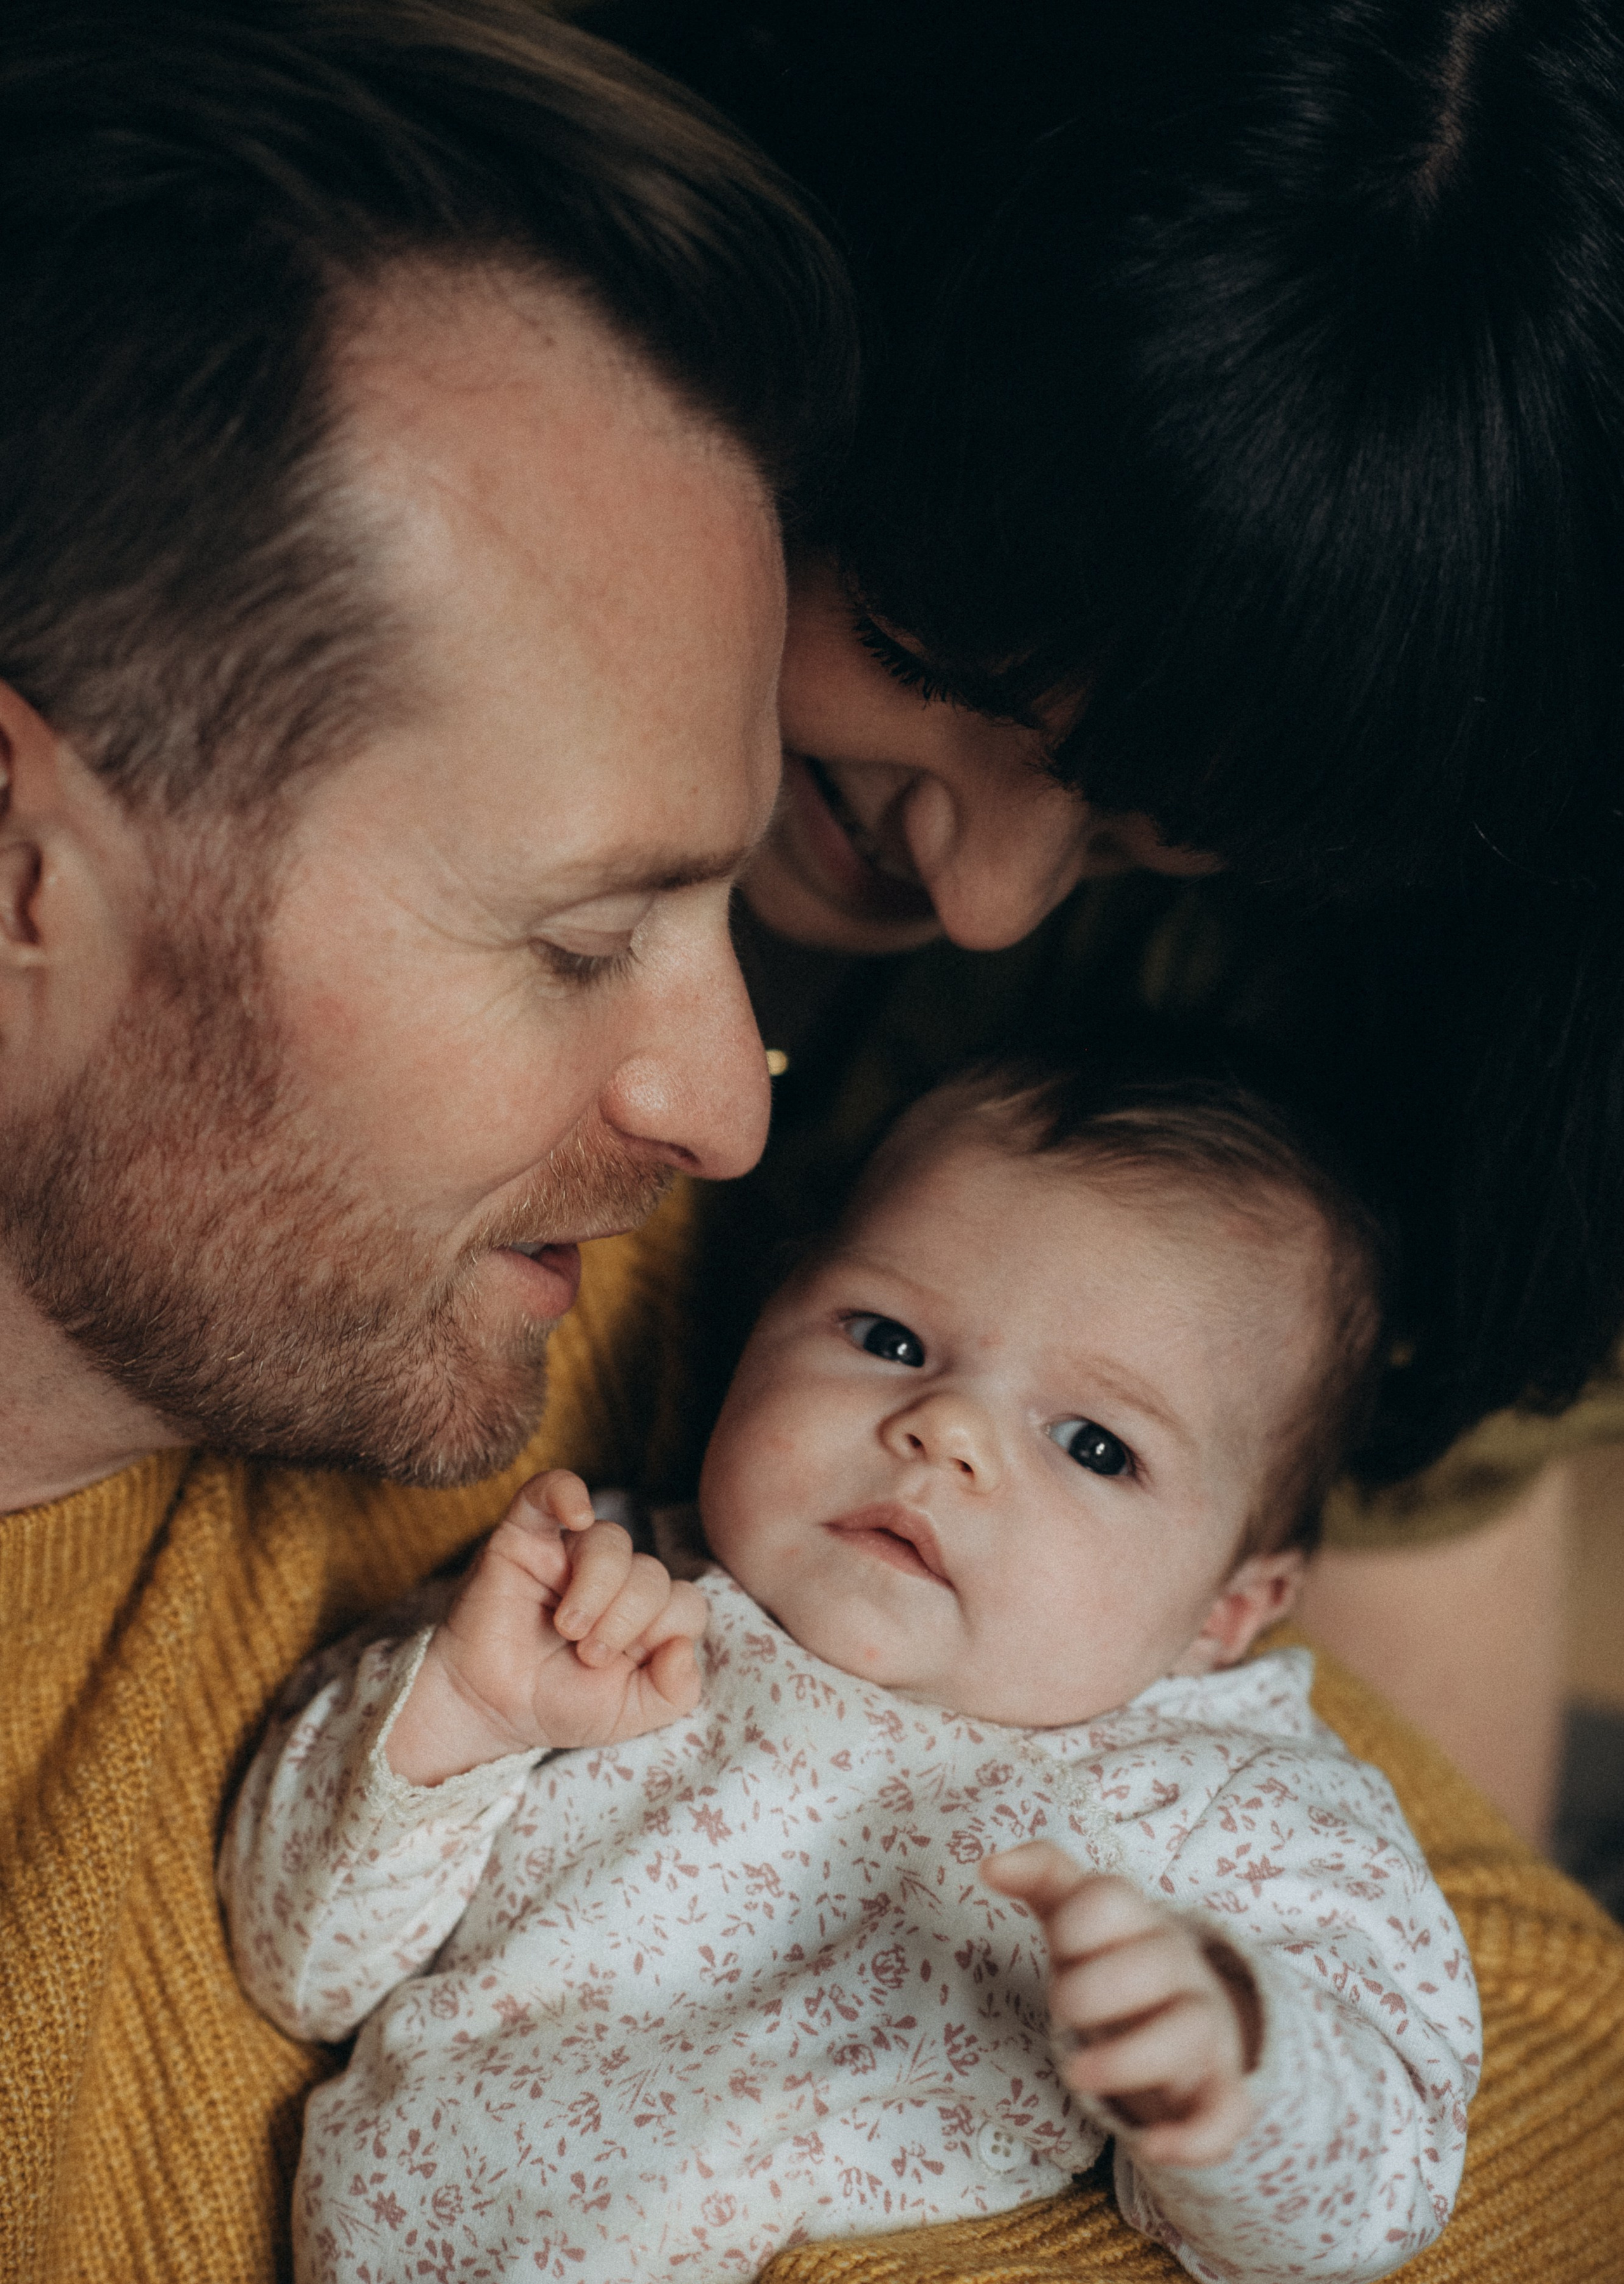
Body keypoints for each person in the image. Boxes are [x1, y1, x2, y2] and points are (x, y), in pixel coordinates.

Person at [0, 3, 853, 2284]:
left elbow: (1544, 2078)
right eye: (584, 945)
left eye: (724, 920)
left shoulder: (627, 1325)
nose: (725, 1105)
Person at [593, 0, 1624, 1848]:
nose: (983, 903)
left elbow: (1444, 1954)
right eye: (926, 661)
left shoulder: (1377, 1048)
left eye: (1164, 835)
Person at [221, 1060, 1479, 2284]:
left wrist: (1240, 2061)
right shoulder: (609, 1600)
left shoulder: (1226, 1797)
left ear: (1227, 1610)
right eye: (886, 1337)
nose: (943, 1434)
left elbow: (1374, 2195)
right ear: (759, 1330)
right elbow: (297, 1961)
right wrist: (463, 1718)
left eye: (1094, 1445)